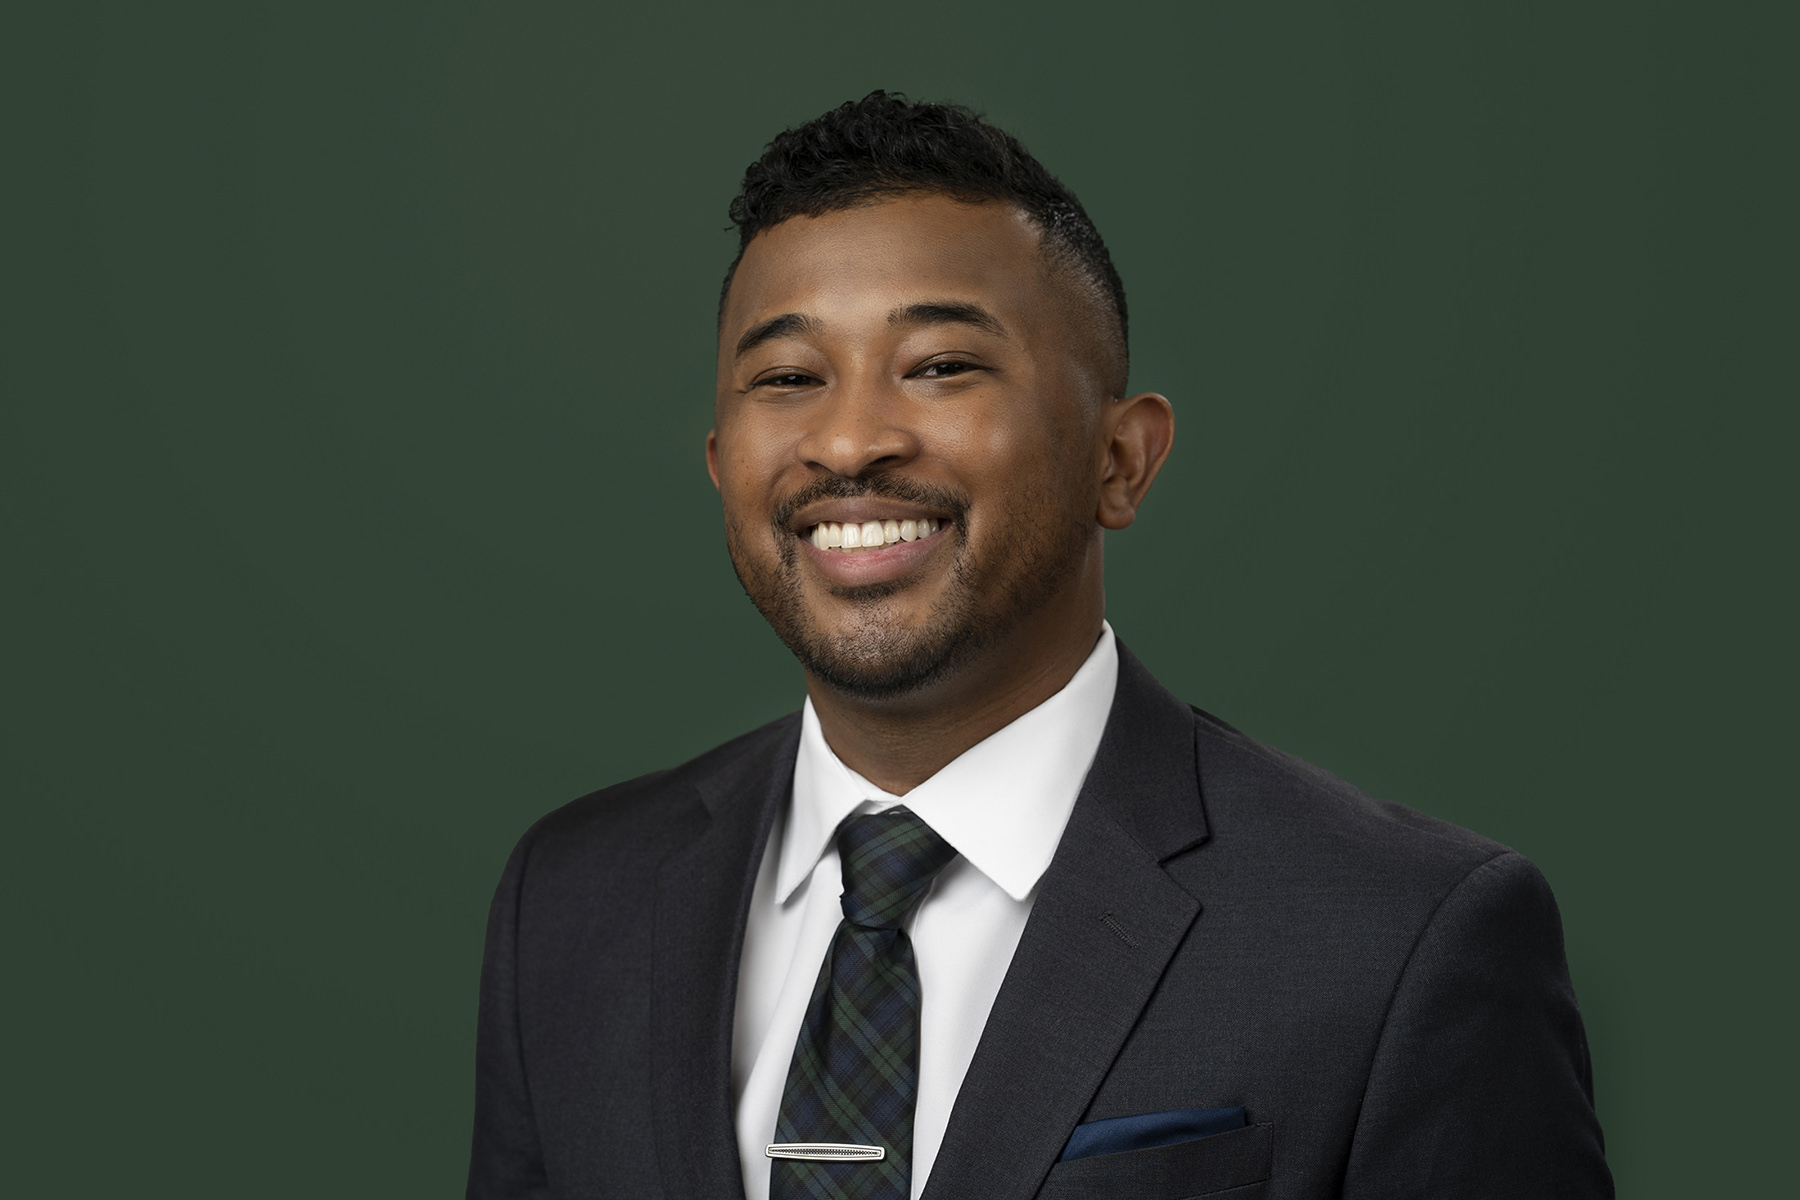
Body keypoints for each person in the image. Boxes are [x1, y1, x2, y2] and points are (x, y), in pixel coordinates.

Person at [467, 92, 1612, 1200]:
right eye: (788, 378)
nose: (851, 438)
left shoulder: (1403, 936)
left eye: (943, 366)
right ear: (723, 465)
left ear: (1122, 460)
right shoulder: (573, 903)